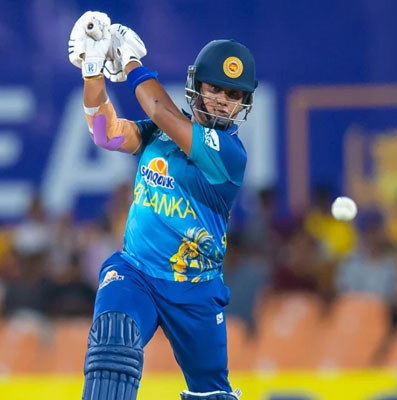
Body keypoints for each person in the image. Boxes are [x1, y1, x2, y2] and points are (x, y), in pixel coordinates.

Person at [68, 10, 257, 400]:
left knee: (212, 394)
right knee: (112, 344)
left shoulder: (230, 155)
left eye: (233, 95)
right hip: (136, 271)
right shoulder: (160, 134)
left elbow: (159, 110)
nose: (222, 101)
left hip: (196, 289)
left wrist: (132, 62)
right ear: (196, 86)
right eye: (215, 88)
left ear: (243, 104)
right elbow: (106, 134)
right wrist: (93, 72)